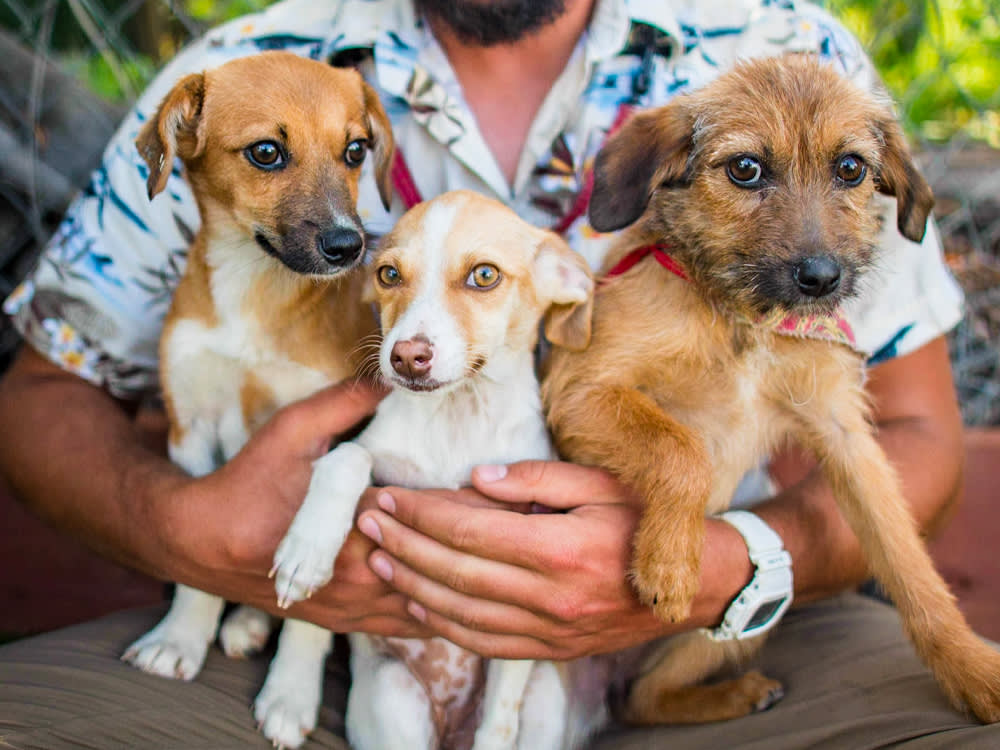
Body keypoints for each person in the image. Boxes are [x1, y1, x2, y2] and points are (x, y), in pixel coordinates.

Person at [0, 0, 992, 747]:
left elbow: (912, 435)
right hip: (337, 640)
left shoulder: (784, 49)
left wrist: (731, 566)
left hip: (708, 627)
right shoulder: (247, 73)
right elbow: (45, 391)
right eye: (747, 174)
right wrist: (186, 532)